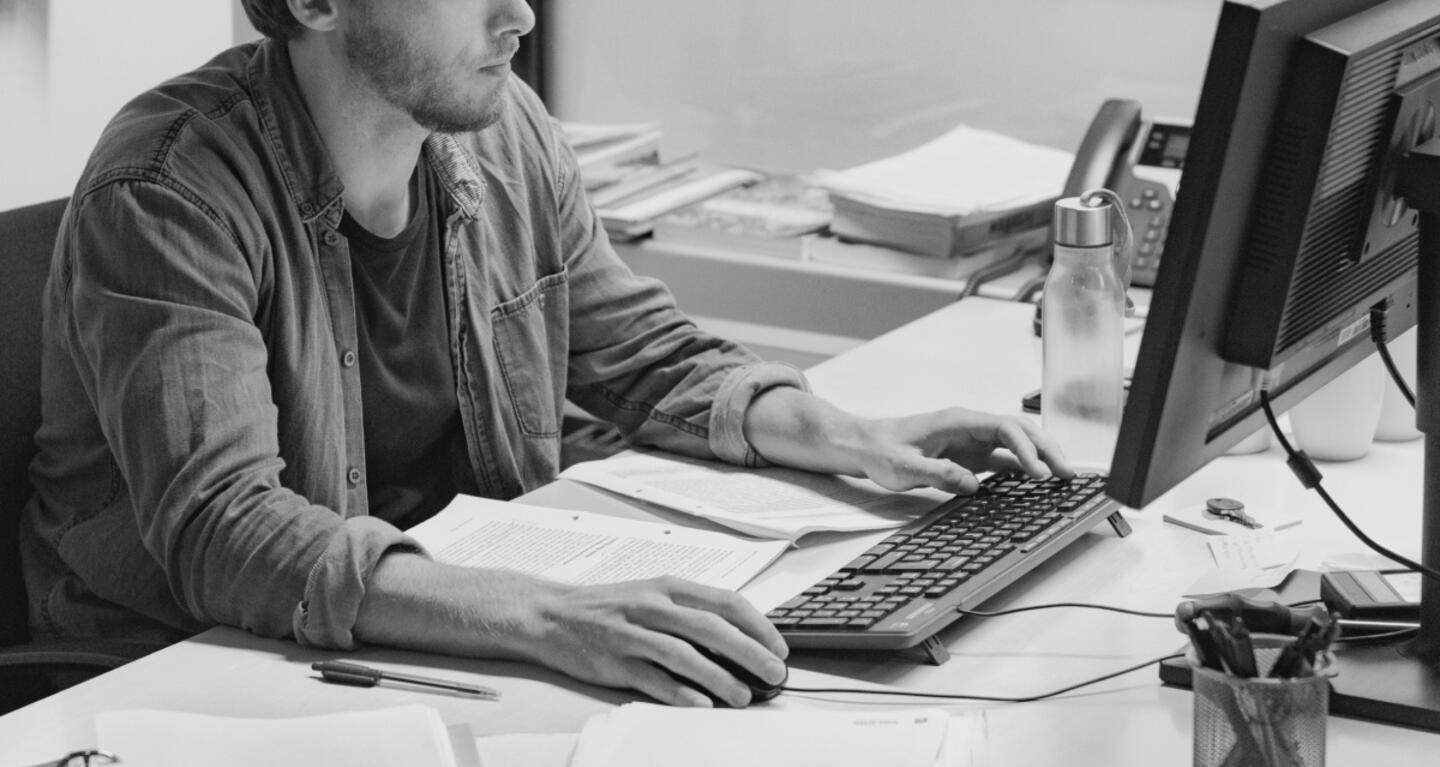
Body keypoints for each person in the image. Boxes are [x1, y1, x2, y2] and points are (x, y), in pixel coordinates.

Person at [19, 0, 1073, 708]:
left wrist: (858, 440)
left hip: (428, 629)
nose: (520, 13)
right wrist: (555, 619)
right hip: (182, 678)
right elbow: (225, 531)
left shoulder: (498, 123)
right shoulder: (169, 191)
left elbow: (641, 356)